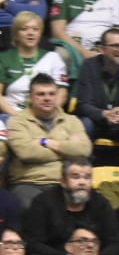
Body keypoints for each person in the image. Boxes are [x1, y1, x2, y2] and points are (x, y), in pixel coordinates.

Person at [8, 72, 89, 207]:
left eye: (51, 94)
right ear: (30, 97)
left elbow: (84, 150)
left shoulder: (72, 121)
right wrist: (68, 149)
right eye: (41, 94)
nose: (47, 98)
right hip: (29, 182)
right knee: (38, 209)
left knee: (93, 205)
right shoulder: (17, 121)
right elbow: (26, 153)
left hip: (65, 183)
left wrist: (45, 142)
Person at [0, 12, 68, 115]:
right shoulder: (3, 58)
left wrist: (49, 114)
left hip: (46, 115)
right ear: (16, 34)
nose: (30, 33)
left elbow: (62, 92)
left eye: (35, 29)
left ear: (40, 34)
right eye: (24, 29)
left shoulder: (53, 58)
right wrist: (18, 117)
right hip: (13, 115)